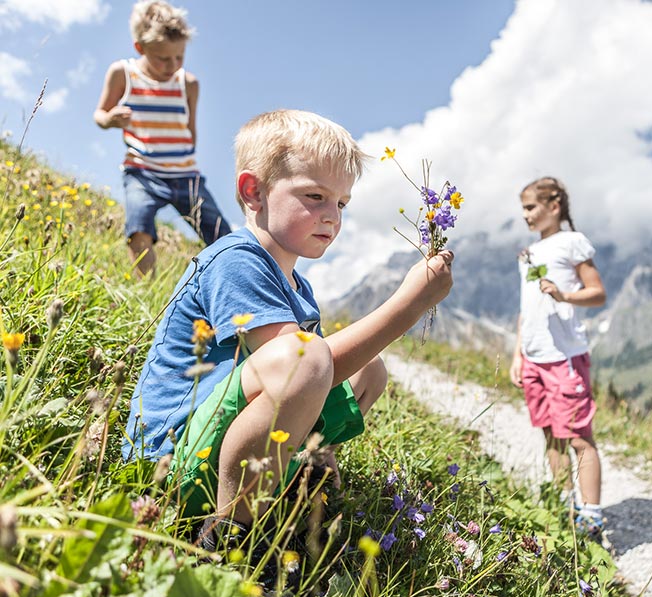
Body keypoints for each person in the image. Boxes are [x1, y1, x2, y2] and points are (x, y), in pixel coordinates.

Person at [122, 109, 454, 553]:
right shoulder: (235, 259)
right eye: (314, 195)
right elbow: (303, 365)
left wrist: (325, 446)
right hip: (172, 458)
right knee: (308, 355)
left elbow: (311, 377)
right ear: (253, 191)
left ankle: (307, 467)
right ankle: (230, 533)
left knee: (367, 370)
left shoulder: (299, 286)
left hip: (224, 442)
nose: (331, 216)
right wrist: (406, 308)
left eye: (341, 203)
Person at [94, 0, 231, 276]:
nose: (172, 65)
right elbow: (100, 112)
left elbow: (190, 129)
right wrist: (110, 120)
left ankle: (234, 287)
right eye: (163, 58)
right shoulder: (123, 73)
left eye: (179, 57)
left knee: (222, 235)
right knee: (138, 227)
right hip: (141, 172)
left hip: (185, 175)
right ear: (140, 48)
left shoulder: (188, 84)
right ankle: (146, 291)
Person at [508, 177, 607, 541]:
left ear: (554, 207)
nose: (525, 216)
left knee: (579, 436)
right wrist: (519, 354)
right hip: (534, 357)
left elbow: (597, 293)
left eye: (531, 208)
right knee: (551, 436)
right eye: (522, 209)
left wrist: (564, 295)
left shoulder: (571, 243)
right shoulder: (529, 254)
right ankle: (566, 507)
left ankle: (592, 516)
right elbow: (526, 308)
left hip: (564, 357)